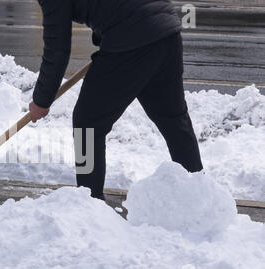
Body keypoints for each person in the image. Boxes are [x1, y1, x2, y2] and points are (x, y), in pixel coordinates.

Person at [29, 0, 203, 200]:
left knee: (87, 124)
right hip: (167, 32)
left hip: (132, 39)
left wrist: (41, 101)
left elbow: (57, 49)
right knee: (173, 118)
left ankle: (89, 201)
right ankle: (198, 195)